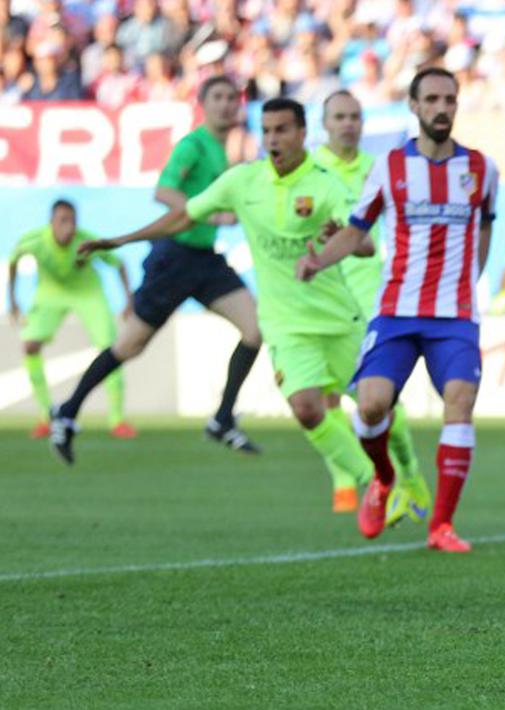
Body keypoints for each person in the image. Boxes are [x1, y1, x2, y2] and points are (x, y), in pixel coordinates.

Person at [78, 98, 381, 513]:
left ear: (302, 133)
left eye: (282, 130)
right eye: (267, 131)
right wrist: (122, 240)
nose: (273, 139)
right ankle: (365, 482)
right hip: (286, 320)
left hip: (344, 310)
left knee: (375, 405)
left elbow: (363, 243)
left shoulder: (332, 180)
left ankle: (405, 479)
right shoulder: (241, 179)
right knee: (309, 406)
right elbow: (185, 213)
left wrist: (324, 257)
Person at [296, 67, 499, 551]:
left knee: (460, 401)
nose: (442, 107)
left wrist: (469, 279)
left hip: (454, 315)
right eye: (431, 99)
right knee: (369, 407)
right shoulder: (389, 168)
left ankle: (442, 526)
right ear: (413, 105)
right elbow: (356, 228)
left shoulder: (481, 169)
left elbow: (486, 226)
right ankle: (384, 479)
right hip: (397, 310)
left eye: (449, 98)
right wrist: (320, 260)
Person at [49, 76, 262, 464]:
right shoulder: (194, 145)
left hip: (205, 258)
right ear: (203, 103)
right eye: (218, 97)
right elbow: (163, 192)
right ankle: (67, 411)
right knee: (130, 345)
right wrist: (210, 211)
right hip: (174, 258)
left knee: (253, 330)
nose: (227, 104)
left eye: (233, 98)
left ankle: (222, 418)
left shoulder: (222, 151)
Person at [312, 89, 430, 518]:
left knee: (376, 398)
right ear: (324, 124)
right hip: (320, 296)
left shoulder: (380, 169)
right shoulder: (311, 170)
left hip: (369, 293)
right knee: (322, 397)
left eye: (355, 116)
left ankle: (408, 473)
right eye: (339, 116)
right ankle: (345, 478)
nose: (348, 123)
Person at [7, 199, 135, 440]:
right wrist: (12, 299)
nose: (69, 226)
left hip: (88, 293)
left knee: (112, 350)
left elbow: (120, 264)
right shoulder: (33, 241)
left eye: (73, 221)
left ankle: (117, 419)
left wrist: (129, 300)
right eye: (63, 220)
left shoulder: (87, 241)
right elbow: (13, 262)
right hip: (51, 292)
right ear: (51, 223)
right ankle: (46, 416)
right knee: (30, 345)